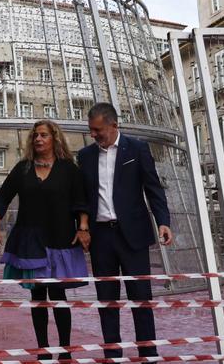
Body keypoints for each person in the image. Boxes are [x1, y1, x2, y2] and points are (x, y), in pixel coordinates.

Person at [0, 120, 90, 360]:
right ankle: (43, 350)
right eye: (35, 136)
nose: (38, 139)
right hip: (31, 240)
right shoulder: (23, 168)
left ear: (54, 138)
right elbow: (3, 196)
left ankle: (65, 351)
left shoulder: (68, 169)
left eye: (43, 135)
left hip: (61, 238)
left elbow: (80, 200)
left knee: (59, 295)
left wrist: (83, 226)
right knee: (37, 296)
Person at [76, 102, 173, 359]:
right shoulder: (85, 156)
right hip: (101, 238)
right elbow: (82, 197)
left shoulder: (138, 149)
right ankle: (113, 355)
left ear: (114, 125)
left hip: (133, 237)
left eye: (98, 130)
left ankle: (148, 354)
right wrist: (82, 227)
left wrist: (163, 221)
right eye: (91, 130)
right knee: (107, 302)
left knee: (141, 300)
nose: (94, 135)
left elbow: (153, 188)